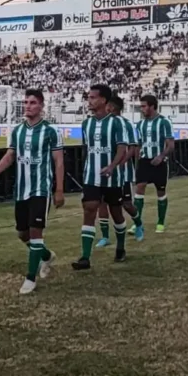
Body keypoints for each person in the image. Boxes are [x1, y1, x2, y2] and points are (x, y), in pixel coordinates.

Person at [0, 89, 64, 295]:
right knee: (22, 234)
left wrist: (59, 189)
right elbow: (11, 154)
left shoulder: (50, 131)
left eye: (32, 102)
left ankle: (30, 279)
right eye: (26, 102)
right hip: (21, 190)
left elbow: (58, 161)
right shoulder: (18, 131)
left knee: (35, 231)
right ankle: (47, 256)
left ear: (41, 106)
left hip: (40, 188)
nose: (28, 106)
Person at [74, 84, 131, 269]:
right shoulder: (86, 123)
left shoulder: (117, 122)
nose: (89, 101)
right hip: (91, 177)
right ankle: (85, 257)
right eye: (88, 97)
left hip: (113, 177)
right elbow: (86, 149)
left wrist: (112, 166)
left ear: (103, 100)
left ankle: (121, 247)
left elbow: (122, 148)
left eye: (92, 97)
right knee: (90, 209)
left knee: (116, 213)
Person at [94, 95, 146, 245]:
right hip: (104, 171)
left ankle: (139, 224)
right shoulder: (102, 123)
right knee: (102, 203)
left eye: (107, 105)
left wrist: (120, 162)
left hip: (122, 174)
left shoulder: (126, 124)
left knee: (126, 203)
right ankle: (105, 236)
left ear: (112, 107)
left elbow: (132, 147)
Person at [133, 94, 175, 233]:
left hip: (160, 162)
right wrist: (137, 161)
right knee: (139, 188)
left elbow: (170, 145)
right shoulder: (140, 124)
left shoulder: (164, 122)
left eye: (144, 106)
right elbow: (138, 144)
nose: (142, 109)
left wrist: (161, 156)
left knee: (161, 191)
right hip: (144, 161)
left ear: (152, 106)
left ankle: (160, 222)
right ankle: (137, 223)